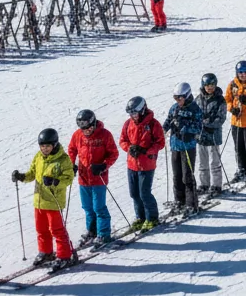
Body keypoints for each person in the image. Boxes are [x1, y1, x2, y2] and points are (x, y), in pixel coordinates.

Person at [12, 128, 76, 269]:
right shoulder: (38, 157)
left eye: (47, 146)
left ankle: (64, 255)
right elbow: (32, 173)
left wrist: (55, 181)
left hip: (54, 201)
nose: (44, 149)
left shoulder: (63, 159)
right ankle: (46, 252)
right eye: (42, 146)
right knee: (41, 229)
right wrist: (21, 177)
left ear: (54, 144)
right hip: (39, 201)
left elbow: (69, 178)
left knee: (57, 230)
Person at [67, 109, 118, 248]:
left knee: (99, 207)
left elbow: (113, 153)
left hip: (98, 178)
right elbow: (71, 149)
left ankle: (104, 233)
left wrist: (103, 166)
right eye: (83, 129)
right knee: (88, 207)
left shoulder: (105, 135)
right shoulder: (78, 135)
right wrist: (71, 164)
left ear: (94, 123)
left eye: (88, 128)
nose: (86, 131)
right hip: (84, 178)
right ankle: (92, 230)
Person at [120, 97, 164, 230]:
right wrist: (129, 148)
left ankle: (152, 217)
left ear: (142, 110)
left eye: (135, 113)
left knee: (144, 192)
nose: (133, 116)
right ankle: (141, 217)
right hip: (132, 164)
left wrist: (145, 150)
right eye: (131, 114)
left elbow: (160, 143)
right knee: (134, 193)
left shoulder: (153, 124)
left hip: (146, 165)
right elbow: (122, 140)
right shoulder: (128, 124)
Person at [163, 83, 202, 213]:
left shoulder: (194, 109)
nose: (178, 101)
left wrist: (185, 127)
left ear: (187, 95)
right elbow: (168, 121)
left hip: (188, 147)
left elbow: (198, 127)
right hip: (175, 146)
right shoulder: (174, 108)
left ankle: (192, 203)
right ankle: (179, 200)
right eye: (175, 98)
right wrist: (163, 129)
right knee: (177, 175)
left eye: (180, 98)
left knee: (187, 176)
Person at [196, 72, 228, 192]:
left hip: (213, 135)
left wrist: (210, 124)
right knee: (202, 162)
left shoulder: (220, 100)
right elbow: (195, 114)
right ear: (203, 85)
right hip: (201, 136)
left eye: (212, 85)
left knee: (214, 161)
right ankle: (204, 184)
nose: (210, 88)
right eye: (207, 85)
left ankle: (216, 185)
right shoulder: (198, 99)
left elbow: (221, 117)